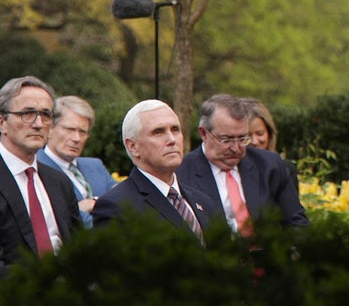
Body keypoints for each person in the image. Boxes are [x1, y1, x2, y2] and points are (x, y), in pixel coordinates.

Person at [0, 75, 82, 283]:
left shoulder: (59, 182)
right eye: (27, 114)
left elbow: (79, 249)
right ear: (2, 122)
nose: (38, 123)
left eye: (45, 115)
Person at [176, 94, 308, 235]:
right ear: (204, 133)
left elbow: (297, 224)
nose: (236, 148)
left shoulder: (270, 166)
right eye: (227, 139)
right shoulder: (182, 174)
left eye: (243, 138)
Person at [93, 99, 218, 241]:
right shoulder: (116, 207)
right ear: (133, 146)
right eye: (158, 132)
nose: (172, 139)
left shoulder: (203, 201)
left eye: (175, 129)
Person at [36, 94, 116, 227]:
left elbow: (127, 200)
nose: (77, 138)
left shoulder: (95, 165)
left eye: (83, 132)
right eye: (70, 129)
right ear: (50, 129)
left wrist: (94, 203)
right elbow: (64, 219)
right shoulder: (37, 168)